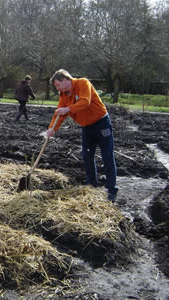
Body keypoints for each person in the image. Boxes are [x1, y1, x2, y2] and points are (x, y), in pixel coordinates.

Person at [46, 69, 118, 202]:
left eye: (57, 85)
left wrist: (68, 109)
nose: (57, 89)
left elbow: (86, 101)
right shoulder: (63, 95)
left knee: (107, 156)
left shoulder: (83, 83)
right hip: (86, 127)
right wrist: (52, 129)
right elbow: (59, 114)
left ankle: (112, 189)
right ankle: (92, 186)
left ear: (66, 80)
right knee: (87, 156)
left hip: (101, 123)